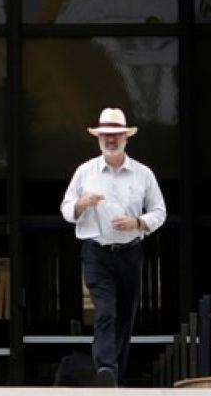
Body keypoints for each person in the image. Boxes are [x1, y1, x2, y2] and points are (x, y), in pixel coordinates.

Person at [60, 107, 167, 387]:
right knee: (106, 310)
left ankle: (112, 374)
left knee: (125, 315)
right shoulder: (85, 171)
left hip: (130, 252)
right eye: (105, 135)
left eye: (115, 135)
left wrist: (137, 222)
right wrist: (82, 204)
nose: (110, 140)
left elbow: (159, 211)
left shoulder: (143, 174)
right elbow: (66, 207)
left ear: (125, 138)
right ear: (98, 138)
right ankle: (105, 366)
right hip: (96, 252)